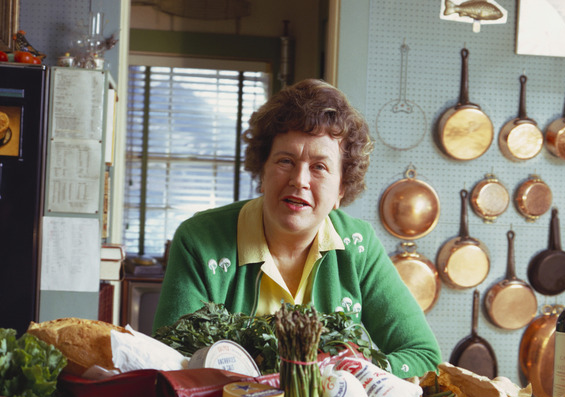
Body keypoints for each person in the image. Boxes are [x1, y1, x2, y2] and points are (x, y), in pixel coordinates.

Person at [153, 78, 442, 378]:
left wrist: (353, 374)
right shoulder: (199, 239)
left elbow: (424, 356)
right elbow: (171, 359)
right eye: (285, 161)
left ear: (341, 188)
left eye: (319, 167)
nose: (299, 180)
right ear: (262, 171)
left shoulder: (359, 246)